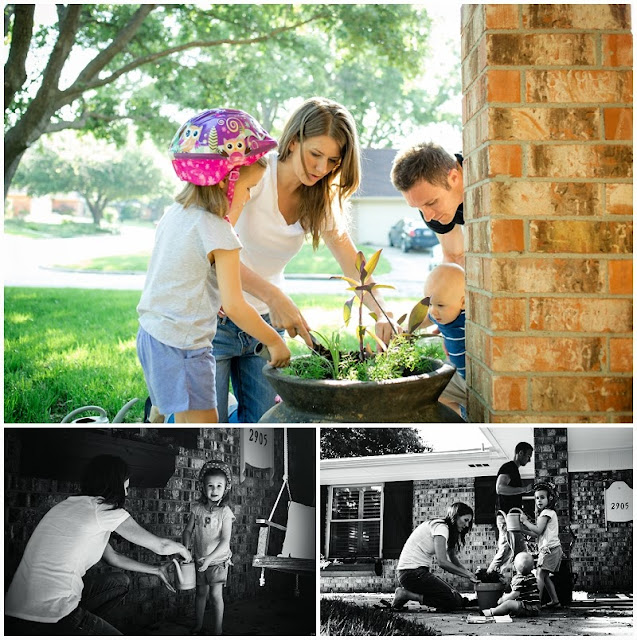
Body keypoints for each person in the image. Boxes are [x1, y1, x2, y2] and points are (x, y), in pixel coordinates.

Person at [214, 97, 396, 423]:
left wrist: (383, 312)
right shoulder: (255, 176)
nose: (321, 168)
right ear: (294, 140)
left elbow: (353, 264)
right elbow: (216, 251)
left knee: (265, 424)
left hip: (264, 326)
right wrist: (274, 294)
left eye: (332, 161)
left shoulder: (320, 198)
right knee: (206, 424)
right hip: (217, 319)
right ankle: (167, 412)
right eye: (315, 154)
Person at [136, 108, 291, 424]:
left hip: (152, 334)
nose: (248, 198)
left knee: (184, 411)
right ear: (227, 183)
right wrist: (275, 341)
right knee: (205, 429)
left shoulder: (176, 212)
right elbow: (236, 306)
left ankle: (164, 406)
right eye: (248, 189)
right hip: (184, 346)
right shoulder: (221, 233)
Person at [4, 455, 192, 635]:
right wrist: (185, 551)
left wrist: (156, 570)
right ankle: (74, 627)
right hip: (50, 613)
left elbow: (113, 558)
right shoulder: (104, 510)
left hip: (14, 610)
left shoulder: (70, 506)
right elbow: (161, 546)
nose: (127, 491)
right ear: (115, 483)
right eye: (126, 484)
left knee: (119, 582)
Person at [389, 502, 478, 612]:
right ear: (456, 516)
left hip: (417, 573)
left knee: (458, 599)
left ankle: (407, 594)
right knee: (451, 601)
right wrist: (467, 574)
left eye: (469, 521)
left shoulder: (446, 530)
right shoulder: (441, 527)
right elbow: (442, 562)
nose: (467, 525)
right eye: (465, 520)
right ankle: (406, 594)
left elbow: (452, 558)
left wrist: (469, 574)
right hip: (411, 573)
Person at [391, 141, 465, 266]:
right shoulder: (429, 208)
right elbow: (456, 257)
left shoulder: (490, 176)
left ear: (453, 178)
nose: (428, 217)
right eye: (418, 208)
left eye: (431, 203)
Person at [182, 460, 235, 635]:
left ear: (226, 488)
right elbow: (188, 531)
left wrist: (210, 559)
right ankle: (198, 625)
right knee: (200, 594)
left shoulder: (225, 512)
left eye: (219, 486)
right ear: (203, 488)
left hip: (217, 561)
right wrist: (186, 550)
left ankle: (218, 630)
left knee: (215, 595)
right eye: (210, 486)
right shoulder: (197, 509)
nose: (214, 490)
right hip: (199, 559)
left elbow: (225, 541)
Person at [422, 263, 466, 417]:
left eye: (440, 305)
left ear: (463, 303)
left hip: (474, 383)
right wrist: (406, 329)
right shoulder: (442, 313)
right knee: (433, 391)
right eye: (430, 304)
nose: (433, 311)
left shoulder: (467, 320)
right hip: (459, 376)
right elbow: (423, 319)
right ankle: (458, 418)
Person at [487, 442, 534, 574]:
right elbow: (500, 488)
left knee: (514, 550)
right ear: (520, 453)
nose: (529, 459)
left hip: (512, 517)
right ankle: (489, 576)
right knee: (507, 549)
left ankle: (499, 577)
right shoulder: (508, 467)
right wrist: (524, 489)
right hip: (506, 517)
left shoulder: (514, 470)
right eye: (528, 456)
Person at [519, 482, 563, 608]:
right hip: (552, 549)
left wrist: (525, 521)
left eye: (542, 497)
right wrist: (522, 530)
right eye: (537, 498)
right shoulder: (546, 513)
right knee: (545, 577)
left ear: (549, 499)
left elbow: (538, 530)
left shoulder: (546, 513)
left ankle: (535, 603)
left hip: (549, 549)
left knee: (539, 574)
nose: (539, 500)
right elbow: (537, 534)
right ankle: (555, 601)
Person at [483, 552, 540, 618]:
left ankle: (492, 611)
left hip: (527, 608)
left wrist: (503, 599)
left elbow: (515, 594)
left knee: (509, 604)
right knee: (513, 604)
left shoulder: (519, 579)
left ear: (514, 566)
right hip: (536, 607)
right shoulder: (532, 577)